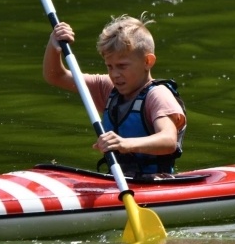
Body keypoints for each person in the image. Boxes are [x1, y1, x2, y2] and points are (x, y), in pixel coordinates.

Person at [43, 14, 186, 176]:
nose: (114, 74)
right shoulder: (108, 87)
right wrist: (54, 45)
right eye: (109, 66)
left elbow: (168, 141)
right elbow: (55, 76)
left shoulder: (158, 95)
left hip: (155, 181)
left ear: (148, 62)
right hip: (118, 180)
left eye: (122, 66)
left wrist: (125, 144)